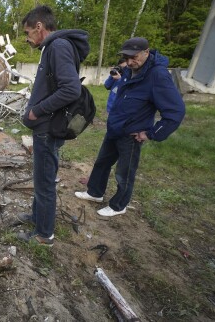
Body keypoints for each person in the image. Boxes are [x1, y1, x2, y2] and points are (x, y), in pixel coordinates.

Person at [75, 37, 185, 217]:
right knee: (102, 162)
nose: (130, 61)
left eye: (134, 57)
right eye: (127, 57)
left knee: (124, 172)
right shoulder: (129, 69)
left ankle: (119, 205)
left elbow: (176, 111)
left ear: (146, 52)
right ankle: (95, 192)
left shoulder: (157, 75)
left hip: (132, 133)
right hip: (115, 128)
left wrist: (151, 133)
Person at [18, 5, 90, 246]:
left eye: (28, 33)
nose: (28, 39)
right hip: (46, 126)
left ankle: (44, 235)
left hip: (48, 127)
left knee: (45, 181)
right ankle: (37, 217)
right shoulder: (54, 47)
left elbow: (71, 89)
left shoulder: (58, 47)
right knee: (41, 178)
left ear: (39, 27)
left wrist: (37, 111)